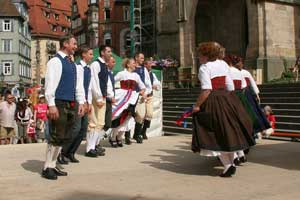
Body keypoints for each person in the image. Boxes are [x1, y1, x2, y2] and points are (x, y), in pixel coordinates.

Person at [192, 42, 255, 177]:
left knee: (213, 132)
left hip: (213, 100)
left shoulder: (204, 67)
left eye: (200, 54)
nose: (199, 57)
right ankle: (230, 164)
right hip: (227, 98)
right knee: (228, 131)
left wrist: (197, 106)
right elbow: (230, 86)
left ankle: (228, 165)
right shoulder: (223, 64)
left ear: (206, 55)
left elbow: (207, 89)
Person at [42, 35, 85, 180]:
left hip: (71, 103)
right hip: (59, 102)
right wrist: (51, 105)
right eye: (73, 44)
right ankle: (47, 167)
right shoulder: (55, 61)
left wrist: (81, 102)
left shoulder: (72, 63)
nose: (75, 46)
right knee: (56, 136)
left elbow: (77, 86)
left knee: (64, 137)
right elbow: (50, 84)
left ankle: (53, 165)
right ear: (65, 44)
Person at [62, 45, 95, 162]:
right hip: (78, 100)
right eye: (90, 54)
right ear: (83, 55)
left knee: (83, 128)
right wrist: (82, 101)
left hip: (85, 100)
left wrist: (89, 102)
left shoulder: (88, 68)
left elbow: (89, 87)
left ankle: (71, 152)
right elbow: (79, 86)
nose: (92, 56)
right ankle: (63, 152)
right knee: (75, 127)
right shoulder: (78, 67)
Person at [109, 58, 146, 147]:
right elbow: (111, 82)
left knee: (127, 118)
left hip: (132, 98)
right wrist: (113, 93)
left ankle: (119, 137)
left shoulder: (136, 75)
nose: (135, 65)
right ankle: (113, 137)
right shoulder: (122, 74)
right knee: (119, 117)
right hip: (122, 98)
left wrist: (142, 92)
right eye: (133, 63)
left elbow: (142, 86)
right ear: (128, 65)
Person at [87, 45, 112, 157]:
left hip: (102, 96)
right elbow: (94, 82)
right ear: (102, 53)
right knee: (94, 123)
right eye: (108, 51)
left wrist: (107, 95)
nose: (110, 53)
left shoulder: (104, 66)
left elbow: (106, 82)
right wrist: (97, 97)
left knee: (100, 123)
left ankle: (94, 145)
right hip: (97, 97)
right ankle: (90, 148)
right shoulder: (96, 64)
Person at [130, 52, 151, 143]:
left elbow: (147, 83)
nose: (143, 60)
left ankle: (137, 134)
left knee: (141, 115)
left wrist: (145, 93)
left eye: (143, 58)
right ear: (136, 58)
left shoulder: (144, 69)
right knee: (129, 115)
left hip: (140, 95)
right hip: (131, 95)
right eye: (141, 58)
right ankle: (126, 135)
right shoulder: (131, 68)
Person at [141, 58, 161, 140]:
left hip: (150, 96)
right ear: (145, 65)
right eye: (149, 64)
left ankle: (143, 131)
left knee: (149, 114)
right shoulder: (141, 73)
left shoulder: (152, 74)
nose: (151, 65)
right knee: (140, 115)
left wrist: (156, 86)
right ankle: (136, 132)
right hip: (142, 96)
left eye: (151, 64)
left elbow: (157, 84)